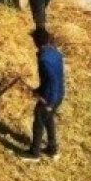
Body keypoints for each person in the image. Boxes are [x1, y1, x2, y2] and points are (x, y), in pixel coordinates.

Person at [20, 27, 64, 162]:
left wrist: (49, 102)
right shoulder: (55, 53)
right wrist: (39, 90)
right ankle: (52, 149)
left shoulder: (44, 59)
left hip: (50, 97)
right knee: (48, 119)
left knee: (39, 121)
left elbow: (52, 80)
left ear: (36, 41)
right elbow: (53, 78)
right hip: (58, 94)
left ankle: (34, 153)